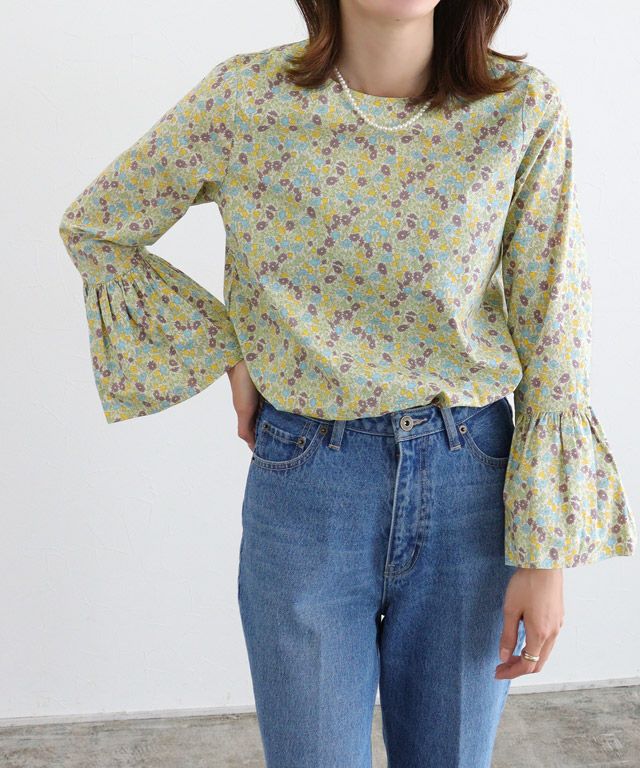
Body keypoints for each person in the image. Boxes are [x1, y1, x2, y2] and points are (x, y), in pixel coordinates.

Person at [58, 1, 637, 765]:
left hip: (473, 488)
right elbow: (99, 226)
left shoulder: (519, 108)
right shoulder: (245, 100)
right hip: (307, 488)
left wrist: (544, 553)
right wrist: (226, 350)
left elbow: (552, 322)